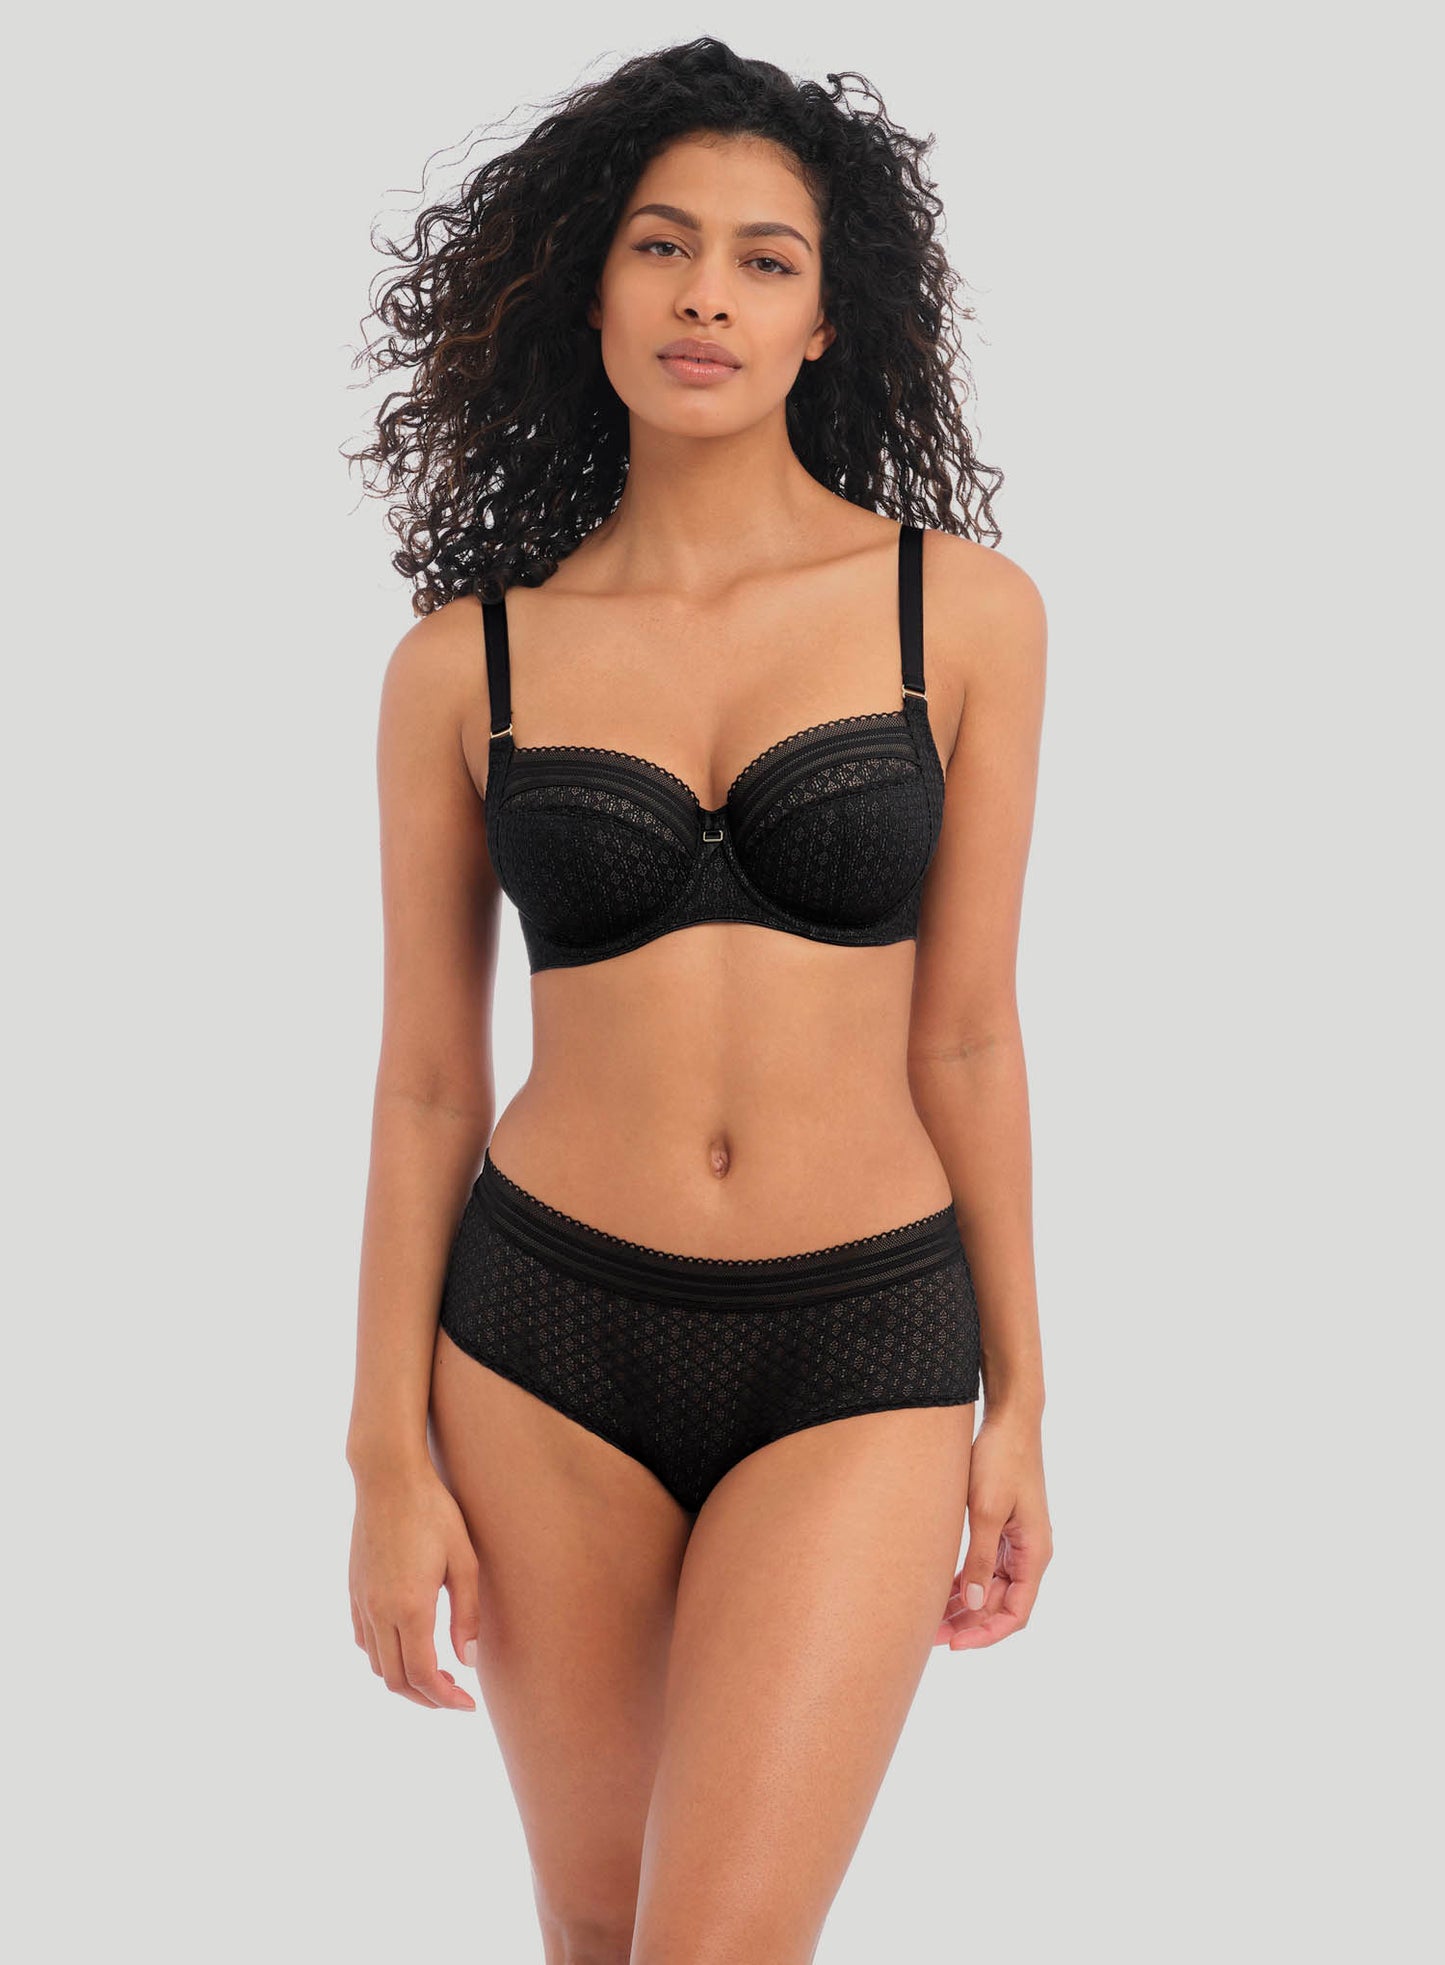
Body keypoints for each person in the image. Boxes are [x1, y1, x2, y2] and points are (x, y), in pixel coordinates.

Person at [344, 36, 1051, 1963]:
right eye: (661, 247)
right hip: (539, 1341)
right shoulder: (464, 665)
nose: (705, 297)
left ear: (827, 319)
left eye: (762, 259)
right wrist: (383, 1453)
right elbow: (425, 1084)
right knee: (597, 1932)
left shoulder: (959, 617)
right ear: (587, 290)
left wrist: (1022, 1397)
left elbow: (967, 1033)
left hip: (861, 1336)